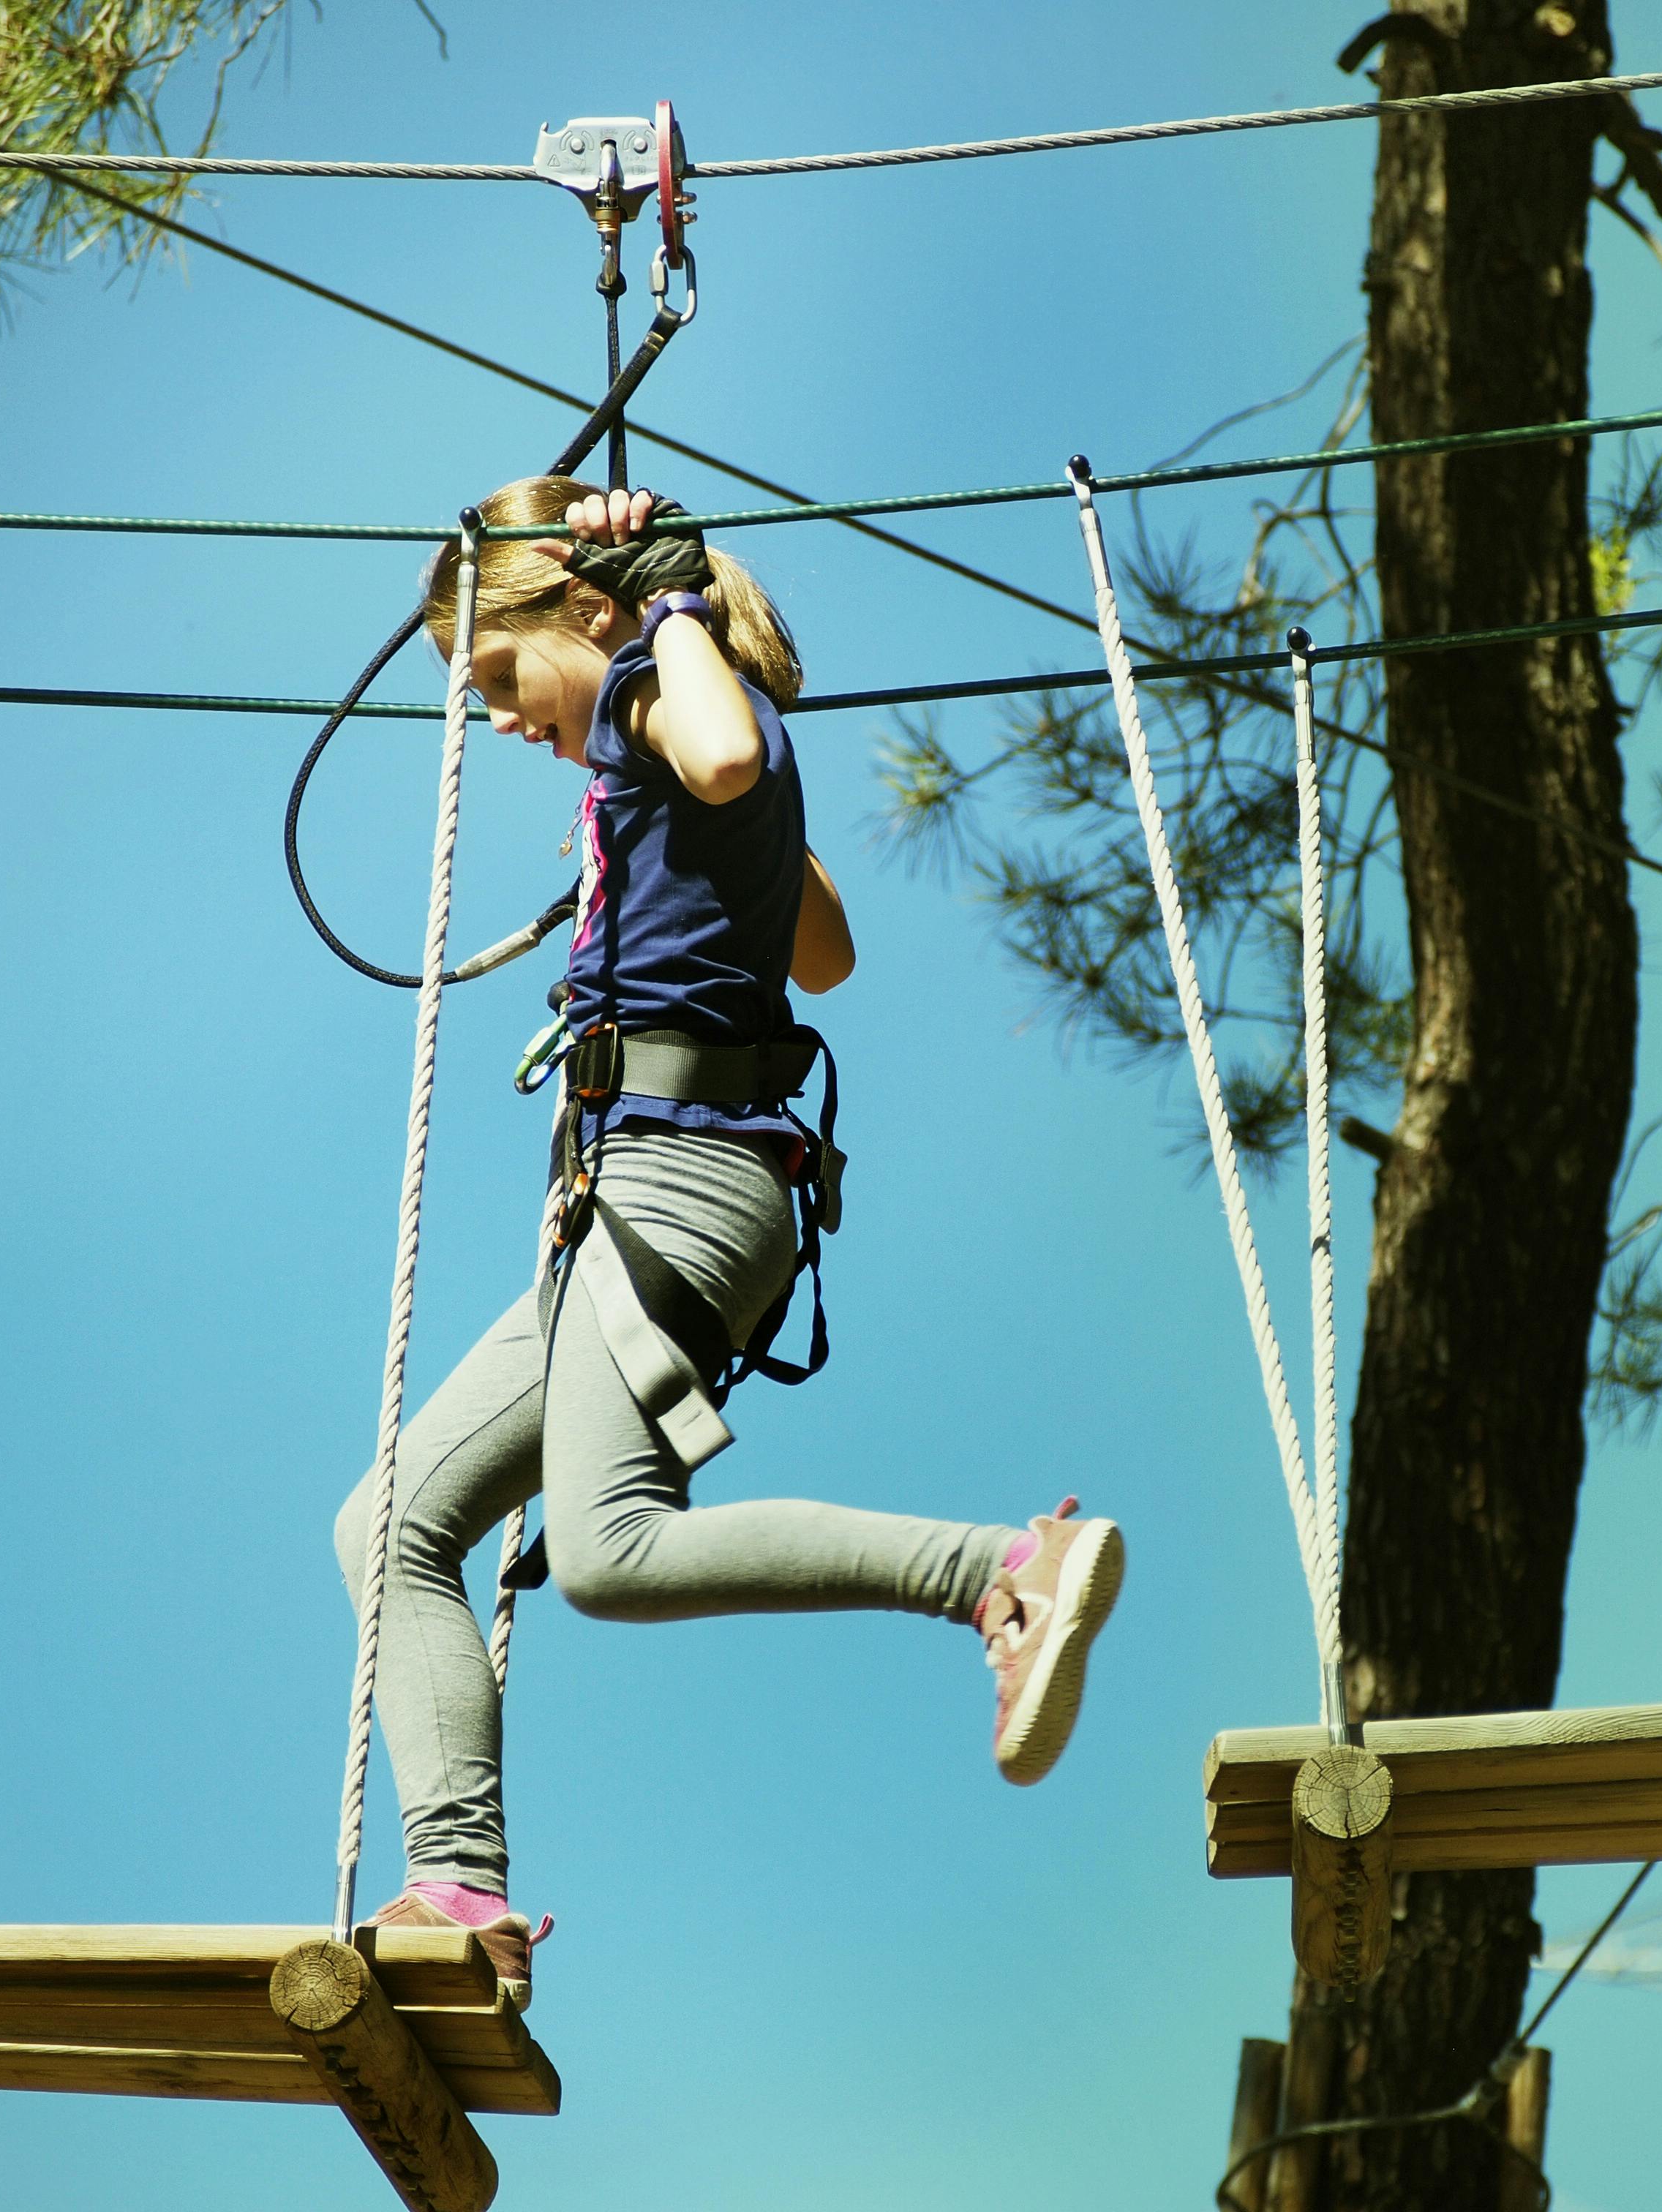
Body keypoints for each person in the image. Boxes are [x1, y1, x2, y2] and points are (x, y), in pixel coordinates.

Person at [334, 476, 1123, 1999]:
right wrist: (715, 820)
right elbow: (817, 948)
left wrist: (671, 615)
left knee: (613, 1558)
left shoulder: (659, 685)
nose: (494, 718)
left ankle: (999, 1570)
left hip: (678, 1190)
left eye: (496, 676)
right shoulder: (677, 744)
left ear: (579, 610)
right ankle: (460, 1887)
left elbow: (719, 745)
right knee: (391, 1526)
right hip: (659, 1200)